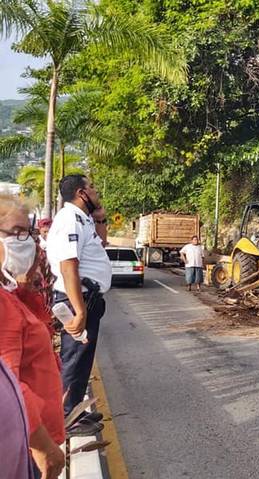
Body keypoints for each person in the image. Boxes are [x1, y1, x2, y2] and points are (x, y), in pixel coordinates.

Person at [0, 194, 65, 479]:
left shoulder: (12, 294)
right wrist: (45, 450)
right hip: (25, 447)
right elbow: (7, 385)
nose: (24, 241)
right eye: (14, 232)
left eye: (26, 232)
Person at [46, 174, 110, 433]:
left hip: (87, 299)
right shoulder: (69, 220)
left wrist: (101, 217)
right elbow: (68, 266)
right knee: (74, 358)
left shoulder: (82, 219)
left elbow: (102, 243)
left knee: (83, 359)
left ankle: (73, 412)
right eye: (92, 188)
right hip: (76, 300)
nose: (96, 192)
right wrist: (80, 310)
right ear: (82, 193)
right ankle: (64, 420)